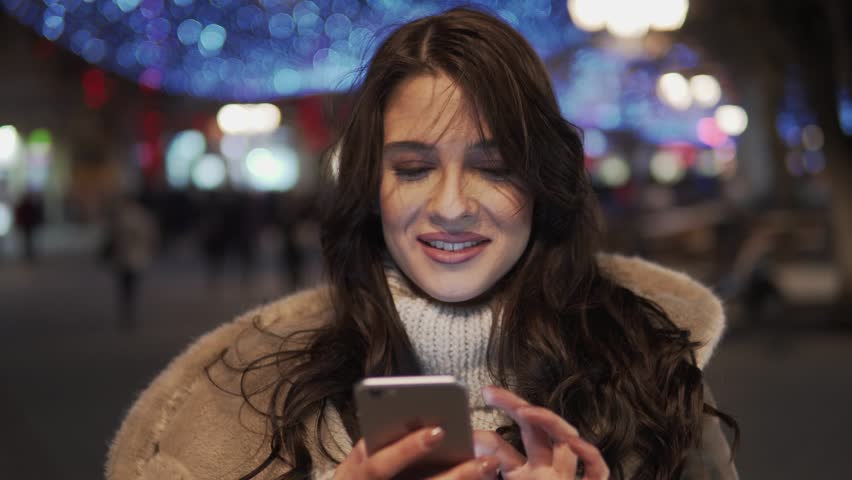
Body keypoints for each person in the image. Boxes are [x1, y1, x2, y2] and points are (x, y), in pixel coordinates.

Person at [107, 7, 738, 480]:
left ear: (544, 183)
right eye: (412, 168)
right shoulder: (246, 397)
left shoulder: (655, 380)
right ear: (369, 186)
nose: (452, 206)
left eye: (495, 167)